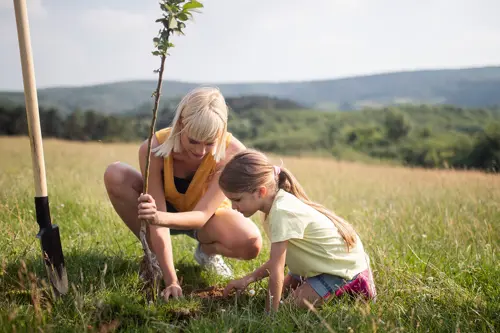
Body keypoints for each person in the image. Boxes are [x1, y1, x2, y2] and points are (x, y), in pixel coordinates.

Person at [103, 87, 263, 301]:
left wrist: (158, 217)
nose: (200, 151)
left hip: (205, 219)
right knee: (116, 173)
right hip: (163, 212)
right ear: (180, 125)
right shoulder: (154, 148)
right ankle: (154, 257)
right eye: (193, 141)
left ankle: (207, 253)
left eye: (209, 143)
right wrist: (172, 280)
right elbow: (156, 218)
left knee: (251, 243)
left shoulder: (233, 153)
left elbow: (201, 216)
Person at [218, 149, 376, 312]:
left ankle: (357, 283)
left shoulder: (282, 211)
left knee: (287, 310)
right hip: (312, 262)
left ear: (261, 191)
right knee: (281, 295)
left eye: (237, 199)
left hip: (338, 268)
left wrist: (270, 316)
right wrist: (248, 279)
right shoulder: (272, 207)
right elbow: (280, 261)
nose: (233, 207)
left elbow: (277, 270)